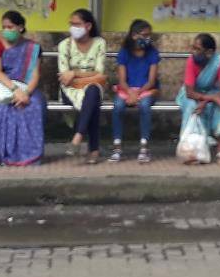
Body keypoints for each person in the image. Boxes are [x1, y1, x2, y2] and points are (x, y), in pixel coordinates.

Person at [0, 9, 45, 167]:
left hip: (26, 87)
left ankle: (26, 156)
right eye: (4, 27)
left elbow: (35, 75)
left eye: (10, 27)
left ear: (20, 27)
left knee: (34, 104)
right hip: (2, 85)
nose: (6, 31)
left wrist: (25, 94)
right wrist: (14, 90)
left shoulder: (32, 48)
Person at [58, 8, 107, 164]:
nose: (73, 27)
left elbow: (100, 73)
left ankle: (78, 137)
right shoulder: (64, 45)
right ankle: (94, 149)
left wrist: (74, 74)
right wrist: (88, 76)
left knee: (92, 92)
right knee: (92, 100)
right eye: (71, 24)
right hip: (70, 90)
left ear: (88, 26)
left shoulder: (99, 43)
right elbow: (64, 78)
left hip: (91, 87)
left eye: (77, 24)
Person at [110, 19, 160, 164]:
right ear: (133, 35)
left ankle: (144, 147)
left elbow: (151, 81)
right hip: (126, 89)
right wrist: (130, 92)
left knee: (145, 106)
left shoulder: (152, 53)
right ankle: (117, 146)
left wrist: (137, 94)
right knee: (118, 106)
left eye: (149, 35)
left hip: (147, 90)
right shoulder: (124, 52)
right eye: (144, 35)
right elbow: (122, 80)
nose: (147, 39)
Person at [177, 33, 220, 164]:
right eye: (193, 48)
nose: (193, 52)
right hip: (193, 93)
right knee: (192, 106)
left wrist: (209, 100)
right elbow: (189, 92)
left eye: (197, 49)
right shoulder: (191, 61)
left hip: (212, 92)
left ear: (209, 52)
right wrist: (209, 98)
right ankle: (190, 150)